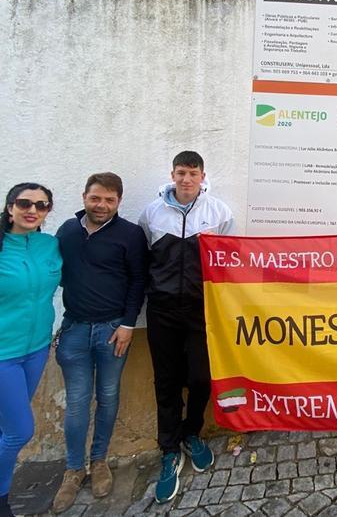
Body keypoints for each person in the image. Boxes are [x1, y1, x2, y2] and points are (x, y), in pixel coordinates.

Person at [139, 151, 234, 504]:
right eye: (181, 173)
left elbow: (228, 263)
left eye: (192, 173)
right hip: (162, 311)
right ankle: (169, 449)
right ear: (172, 174)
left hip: (201, 310)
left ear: (202, 175)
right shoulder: (152, 213)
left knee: (199, 377)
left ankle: (191, 432)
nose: (186, 179)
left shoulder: (219, 212)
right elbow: (146, 258)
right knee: (165, 379)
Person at [50, 173, 147, 513]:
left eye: (109, 200)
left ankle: (100, 461)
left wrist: (127, 324)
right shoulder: (67, 231)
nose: (102, 205)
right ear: (84, 197)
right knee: (77, 401)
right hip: (74, 329)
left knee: (107, 395)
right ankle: (74, 470)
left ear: (118, 201)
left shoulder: (131, 234)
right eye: (96, 198)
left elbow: (138, 282)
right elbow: (54, 272)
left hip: (112, 331)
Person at [0, 183, 60, 517]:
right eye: (24, 203)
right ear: (10, 207)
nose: (32, 210)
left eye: (41, 205)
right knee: (20, 431)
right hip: (2, 354)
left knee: (4, 428)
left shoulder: (49, 246)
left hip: (37, 350)